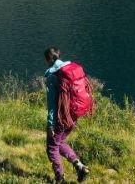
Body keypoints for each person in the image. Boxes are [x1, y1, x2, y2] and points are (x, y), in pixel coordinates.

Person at [44, 47, 91, 183]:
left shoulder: (53, 76)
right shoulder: (71, 69)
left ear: (48, 60)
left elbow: (52, 105)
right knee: (60, 142)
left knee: (52, 147)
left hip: (61, 117)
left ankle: (60, 179)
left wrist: (50, 124)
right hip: (74, 114)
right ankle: (80, 167)